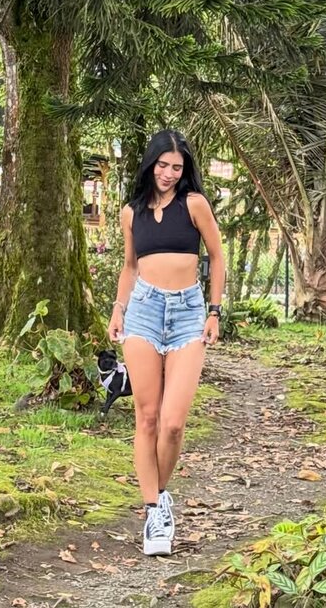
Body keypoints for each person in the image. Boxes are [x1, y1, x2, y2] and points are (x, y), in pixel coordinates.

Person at [108, 130, 225, 556]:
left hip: (187, 314)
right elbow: (129, 267)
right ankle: (154, 511)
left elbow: (217, 257)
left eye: (177, 167)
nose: (169, 173)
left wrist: (214, 311)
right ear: (150, 164)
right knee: (147, 417)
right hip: (141, 311)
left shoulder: (194, 204)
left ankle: (160, 493)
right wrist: (118, 308)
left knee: (173, 423)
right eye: (163, 165)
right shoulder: (131, 213)